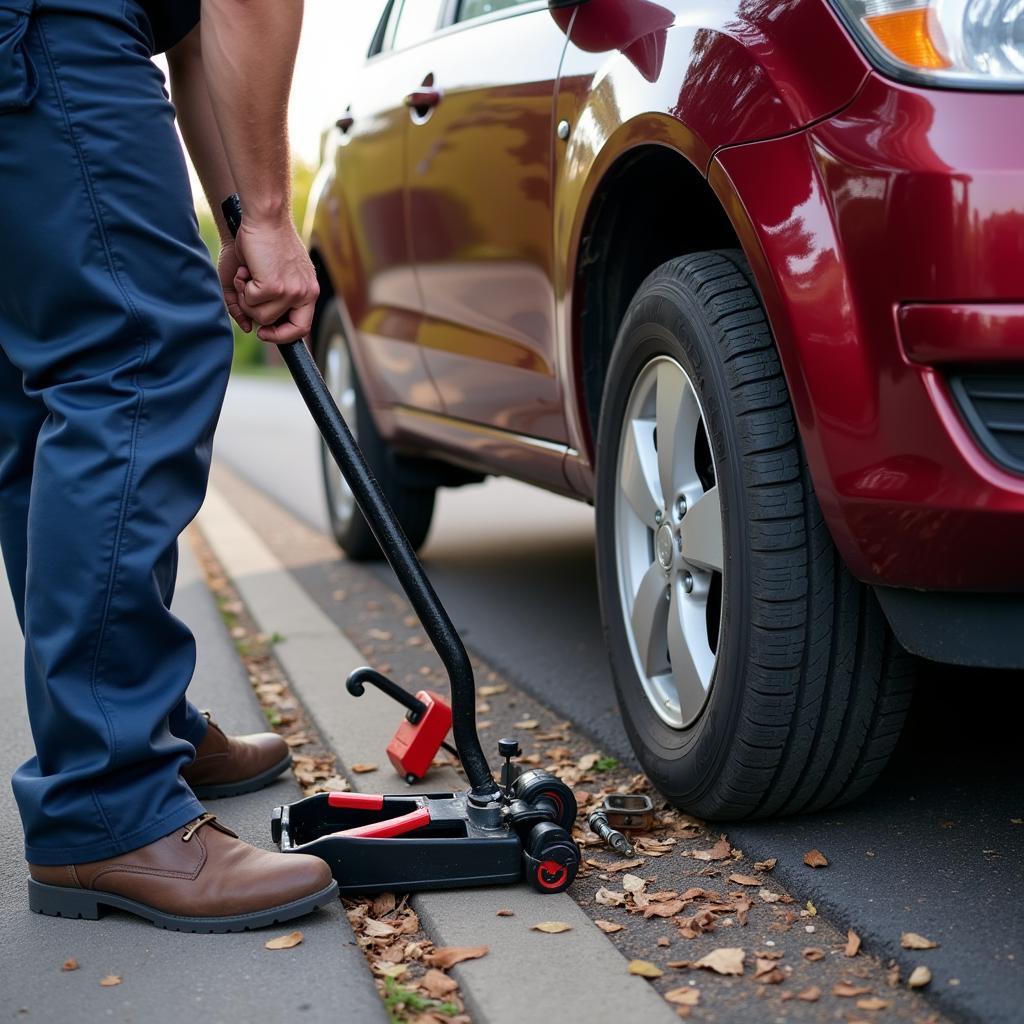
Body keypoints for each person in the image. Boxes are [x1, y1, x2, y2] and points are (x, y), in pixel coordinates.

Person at [0, 0, 335, 930]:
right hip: (47, 29)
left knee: (45, 396)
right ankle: (110, 801)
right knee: (137, 353)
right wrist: (270, 216)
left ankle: (136, 732)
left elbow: (188, 29)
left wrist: (239, 217)